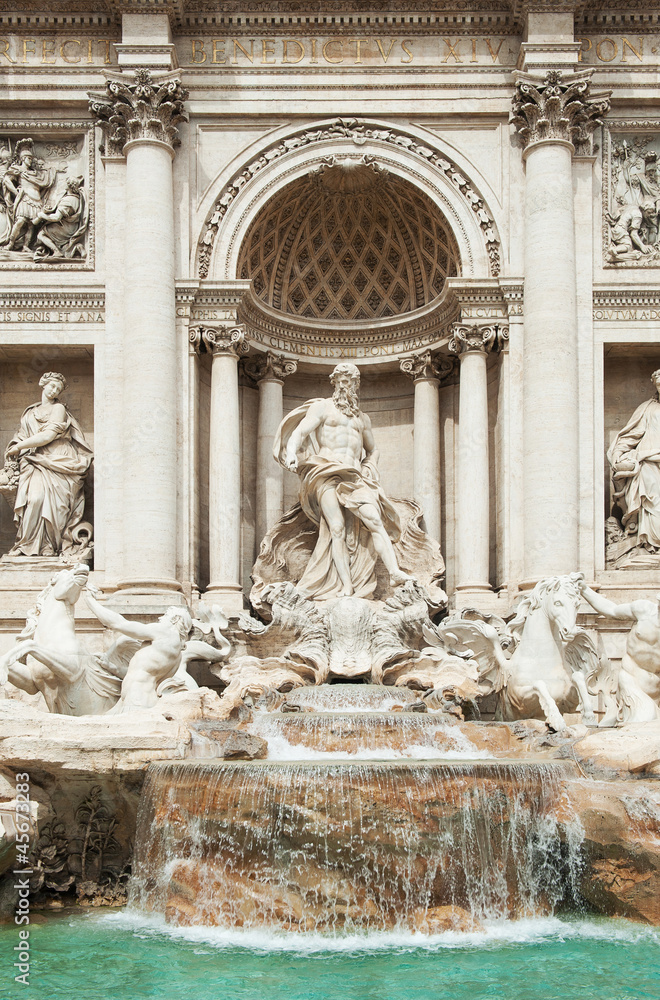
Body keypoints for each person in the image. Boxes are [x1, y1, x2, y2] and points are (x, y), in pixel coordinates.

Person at [274, 362, 413, 600]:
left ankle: (395, 572)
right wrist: (290, 454)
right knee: (336, 528)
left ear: (356, 385)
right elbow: (300, 431)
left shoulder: (362, 419)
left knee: (374, 519)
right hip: (326, 471)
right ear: (333, 383)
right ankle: (346, 587)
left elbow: (373, 449)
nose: (343, 386)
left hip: (354, 476)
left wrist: (370, 466)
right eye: (339, 381)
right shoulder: (322, 408)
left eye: (347, 382)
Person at [4, 372, 93, 557]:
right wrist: (15, 446)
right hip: (34, 460)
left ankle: (49, 546)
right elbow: (22, 435)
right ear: (42, 384)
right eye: (52, 386)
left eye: (58, 389)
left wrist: (20, 446)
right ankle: (27, 544)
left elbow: (48, 436)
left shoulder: (58, 408)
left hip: (58, 459)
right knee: (34, 499)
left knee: (54, 505)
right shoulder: (29, 412)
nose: (54, 390)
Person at [84, 588, 193, 713]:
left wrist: (90, 601)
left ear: (175, 619)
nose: (159, 619)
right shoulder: (176, 653)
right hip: (135, 700)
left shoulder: (165, 633)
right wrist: (111, 667)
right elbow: (141, 673)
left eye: (165, 616)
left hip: (137, 701)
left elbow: (119, 624)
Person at [577, 578, 660, 722]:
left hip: (656, 689)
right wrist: (584, 589)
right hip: (632, 682)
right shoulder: (644, 610)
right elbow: (611, 610)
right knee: (645, 721)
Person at [607, 368, 660, 552]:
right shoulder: (648, 408)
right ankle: (650, 543)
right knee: (652, 496)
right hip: (649, 461)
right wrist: (618, 453)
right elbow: (631, 435)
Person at [0, 138, 59, 252]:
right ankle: (11, 244)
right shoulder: (18, 169)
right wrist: (15, 192)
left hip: (36, 200)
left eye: (31, 158)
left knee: (32, 225)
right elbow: (6, 179)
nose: (31, 160)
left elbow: (45, 180)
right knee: (20, 221)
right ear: (23, 158)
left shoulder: (35, 173)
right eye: (28, 158)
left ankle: (26, 246)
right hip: (25, 198)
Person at [33, 176, 87, 261]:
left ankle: (56, 252)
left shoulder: (67, 201)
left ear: (69, 185)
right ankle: (76, 247)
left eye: (66, 182)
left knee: (41, 234)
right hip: (72, 227)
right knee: (59, 242)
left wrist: (42, 215)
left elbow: (56, 217)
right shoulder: (76, 198)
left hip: (65, 228)